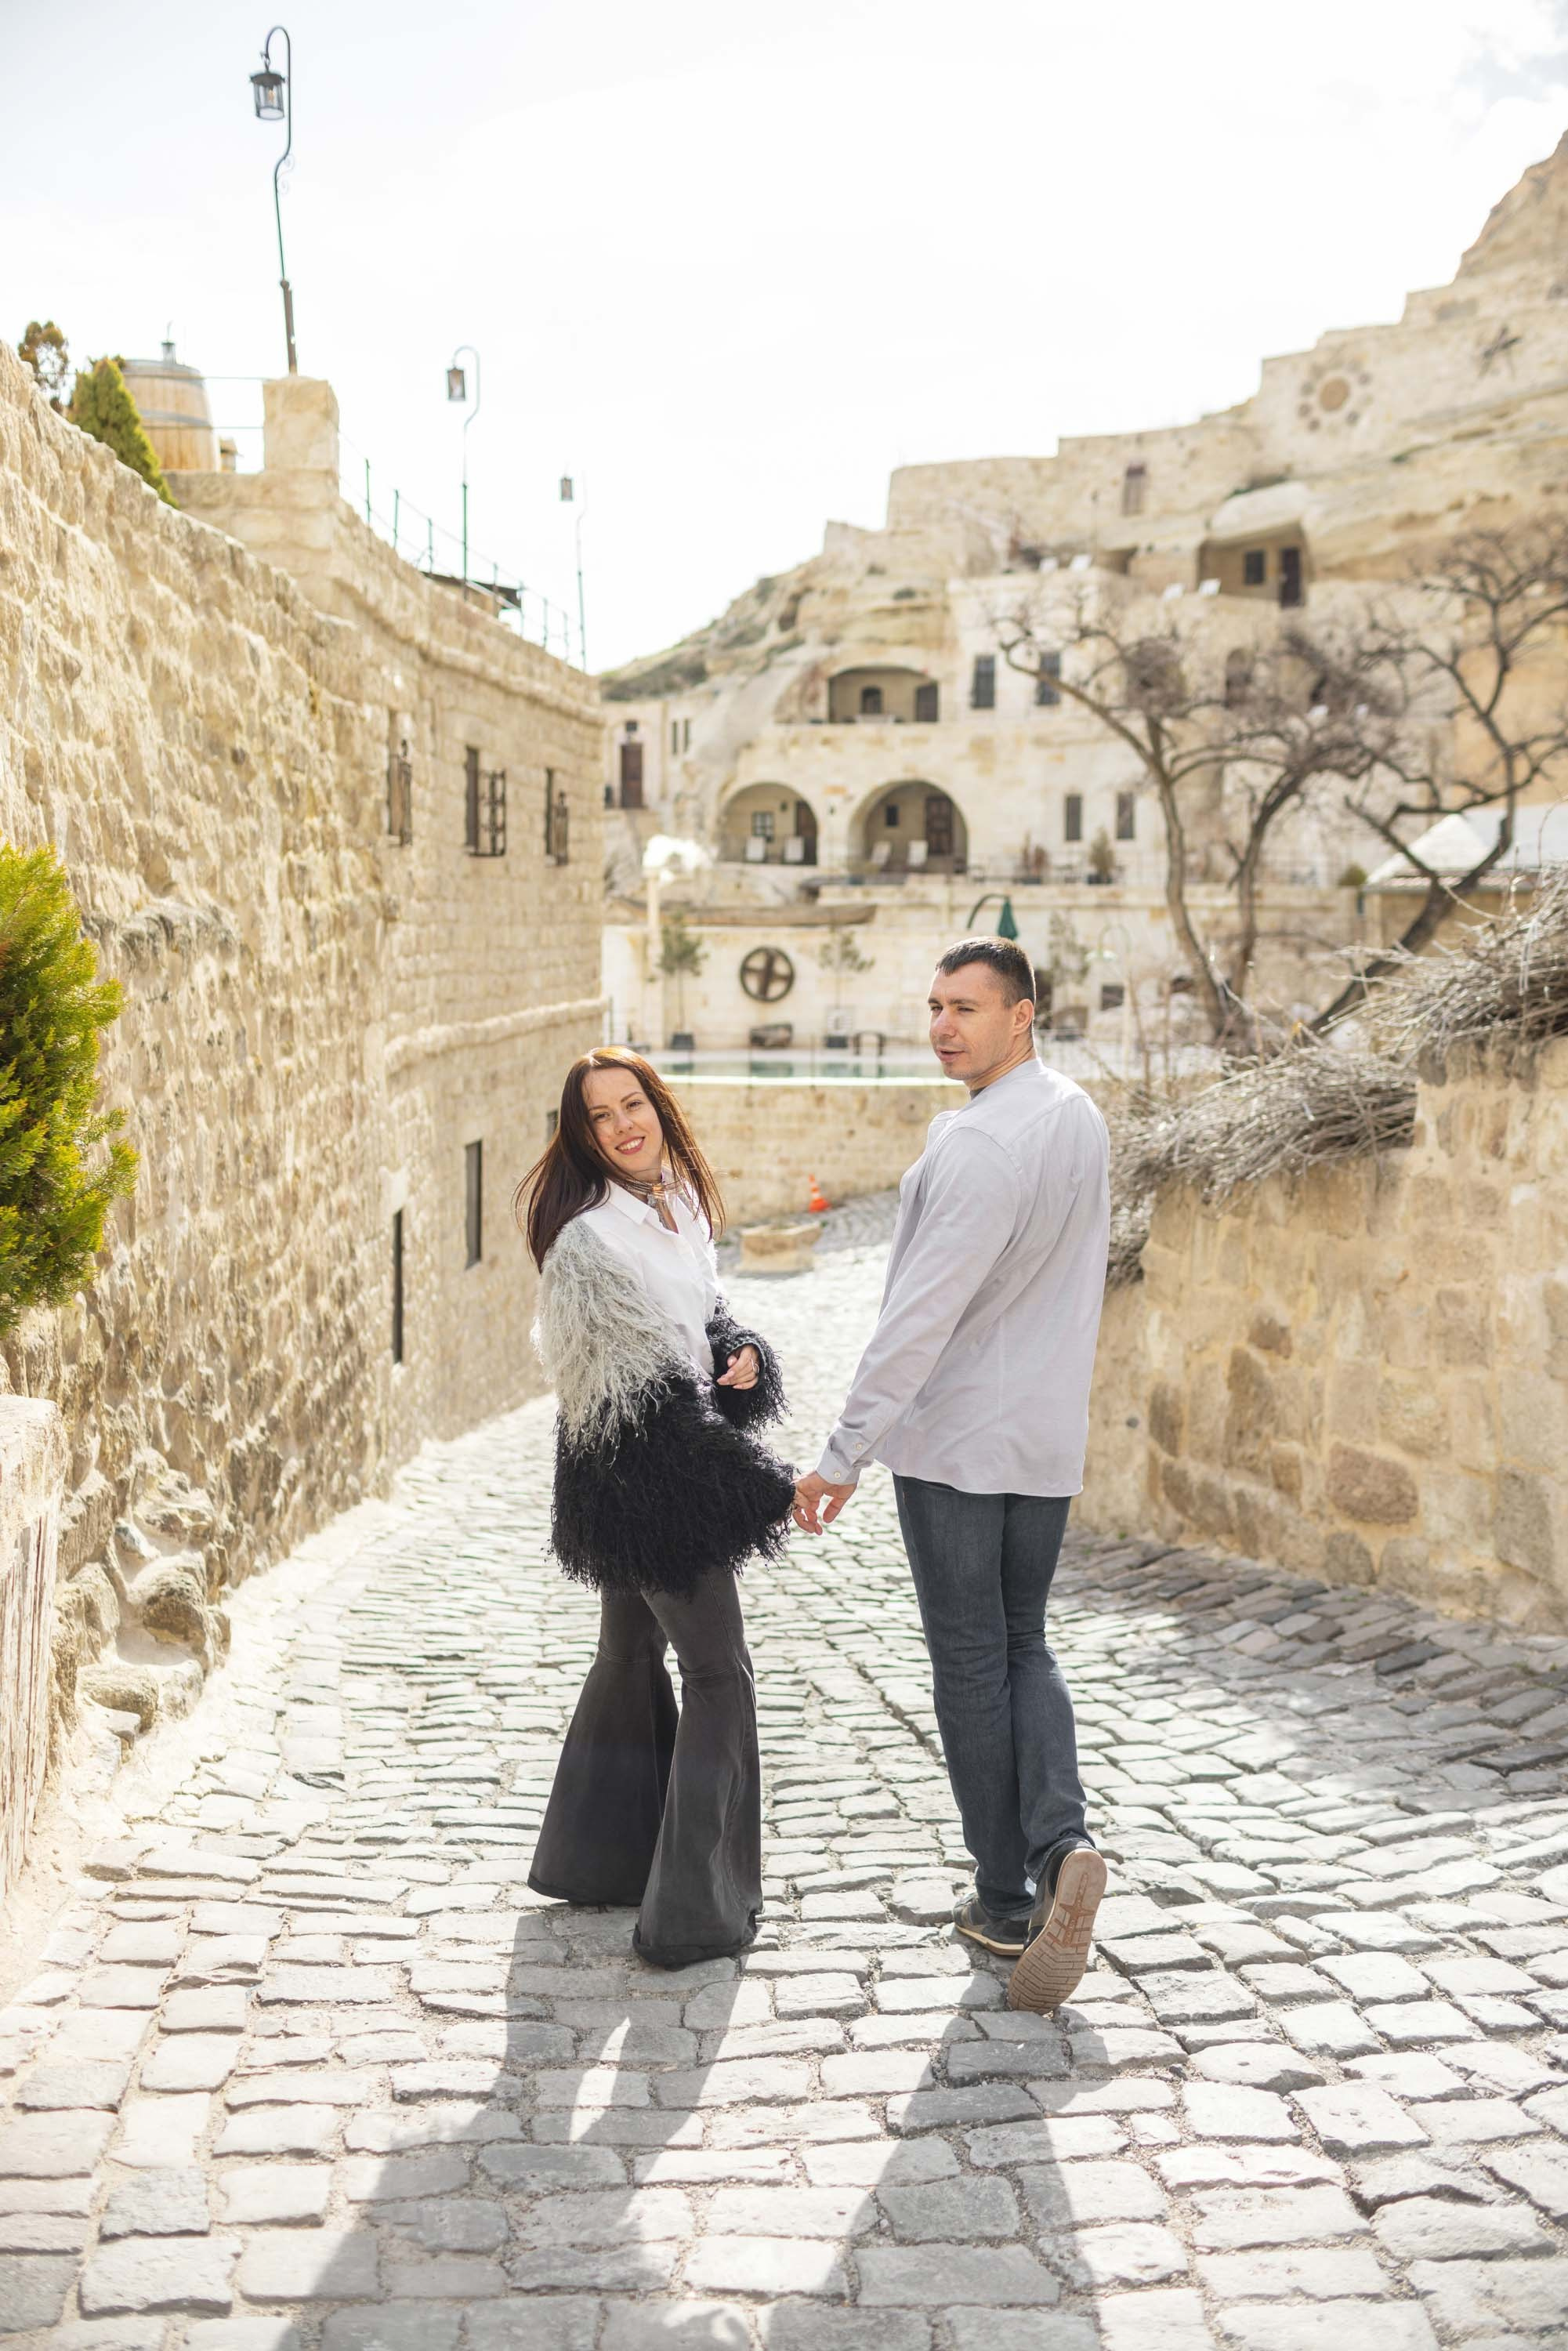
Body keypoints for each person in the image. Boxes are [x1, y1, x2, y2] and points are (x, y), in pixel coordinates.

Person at [793, 939, 1110, 2012]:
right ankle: (1064, 1843)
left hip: (959, 1446)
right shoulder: (1073, 1115)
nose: (941, 1025)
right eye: (932, 1005)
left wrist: (842, 1455)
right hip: (1044, 1439)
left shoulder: (981, 1147)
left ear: (1021, 1016)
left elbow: (915, 1322)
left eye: (966, 1008)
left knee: (973, 1662)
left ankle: (1007, 1898)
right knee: (1025, 1643)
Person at [519, 1047, 795, 1969]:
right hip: (647, 1479)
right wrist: (758, 1487)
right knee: (719, 1674)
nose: (623, 1125)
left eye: (632, 1104)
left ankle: (598, 1862)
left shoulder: (674, 1205)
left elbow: (700, 1319)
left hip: (657, 1470)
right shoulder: (587, 1241)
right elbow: (638, 1404)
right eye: (600, 1117)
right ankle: (695, 1913)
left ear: (658, 1106)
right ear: (582, 1134)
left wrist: (741, 1351)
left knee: (629, 1654)